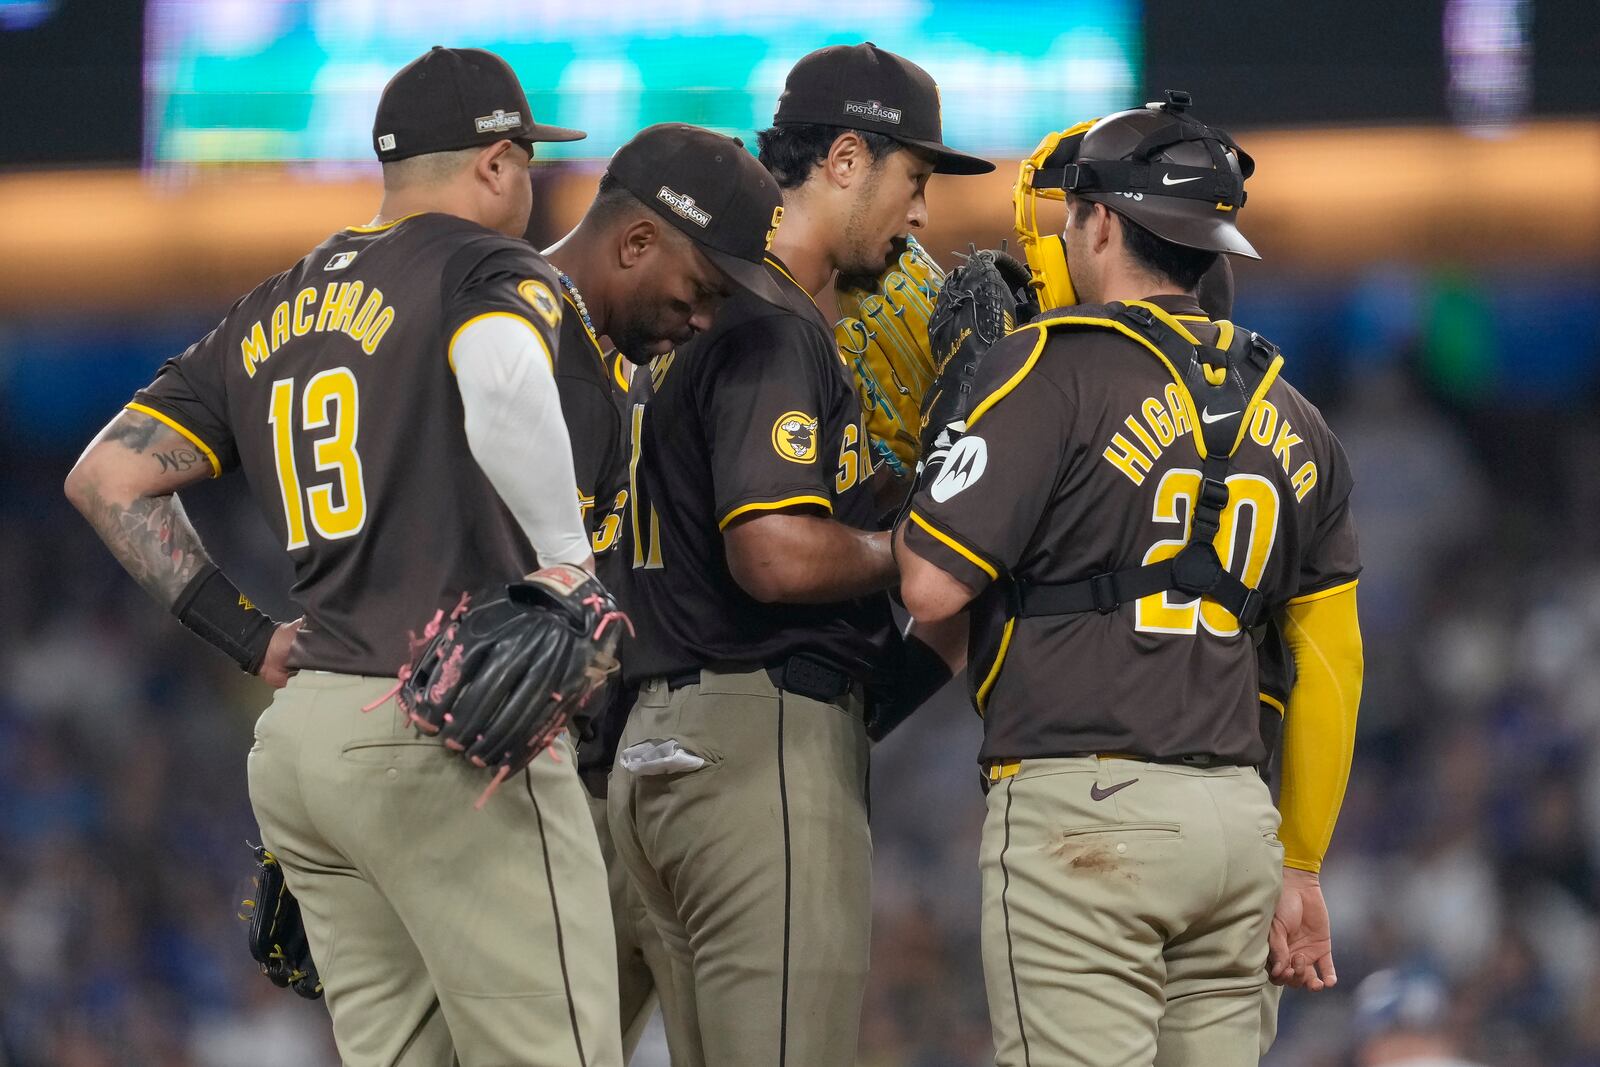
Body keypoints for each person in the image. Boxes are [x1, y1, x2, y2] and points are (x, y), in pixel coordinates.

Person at [64, 46, 780, 1066]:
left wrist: (248, 633)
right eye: (524, 160)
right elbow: (496, 380)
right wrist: (571, 570)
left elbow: (106, 478)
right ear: (493, 162)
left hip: (312, 739)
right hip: (450, 732)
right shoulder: (483, 266)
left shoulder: (272, 304)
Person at [896, 92, 1363, 1065]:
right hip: (1236, 823)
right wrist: (1303, 863)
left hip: (1086, 813)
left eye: (1070, 217)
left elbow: (931, 588)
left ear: (1101, 222)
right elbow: (1330, 663)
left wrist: (958, 412)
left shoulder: (1048, 369)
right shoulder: (1300, 415)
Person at [604, 42, 992, 1067]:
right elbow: (773, 555)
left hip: (649, 749)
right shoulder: (772, 321)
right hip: (753, 748)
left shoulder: (678, 322)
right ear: (848, 159)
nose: (920, 217)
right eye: (914, 180)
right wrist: (912, 544)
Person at [541, 123, 786, 1058]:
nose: (703, 319)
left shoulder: (614, 356)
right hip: (505, 786)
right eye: (699, 291)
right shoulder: (518, 339)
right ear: (637, 244)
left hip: (602, 773)